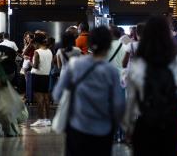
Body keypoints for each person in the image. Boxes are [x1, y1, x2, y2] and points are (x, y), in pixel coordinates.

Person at [124, 16, 177, 156]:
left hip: (145, 125)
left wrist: (128, 127)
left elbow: (132, 101)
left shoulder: (137, 65)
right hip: (172, 125)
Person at [53, 26, 125, 156]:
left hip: (77, 128)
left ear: (90, 44)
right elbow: (119, 104)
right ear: (108, 45)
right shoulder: (112, 72)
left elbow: (57, 94)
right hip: (103, 131)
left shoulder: (74, 65)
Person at [30, 33, 53, 127]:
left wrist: (29, 62)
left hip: (37, 76)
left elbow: (35, 66)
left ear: (37, 43)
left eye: (34, 43)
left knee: (39, 98)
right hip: (46, 76)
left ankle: (40, 119)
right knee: (46, 98)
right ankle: (47, 119)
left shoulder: (37, 52)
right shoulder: (49, 51)